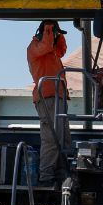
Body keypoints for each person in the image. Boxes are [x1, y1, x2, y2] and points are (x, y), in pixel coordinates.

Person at [26, 20, 69, 185]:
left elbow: (60, 50)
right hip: (47, 98)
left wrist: (58, 36)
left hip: (58, 97)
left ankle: (61, 175)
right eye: (53, 33)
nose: (56, 36)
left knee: (63, 138)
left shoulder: (52, 52)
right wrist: (49, 29)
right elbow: (46, 46)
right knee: (51, 138)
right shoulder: (35, 47)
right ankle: (46, 177)